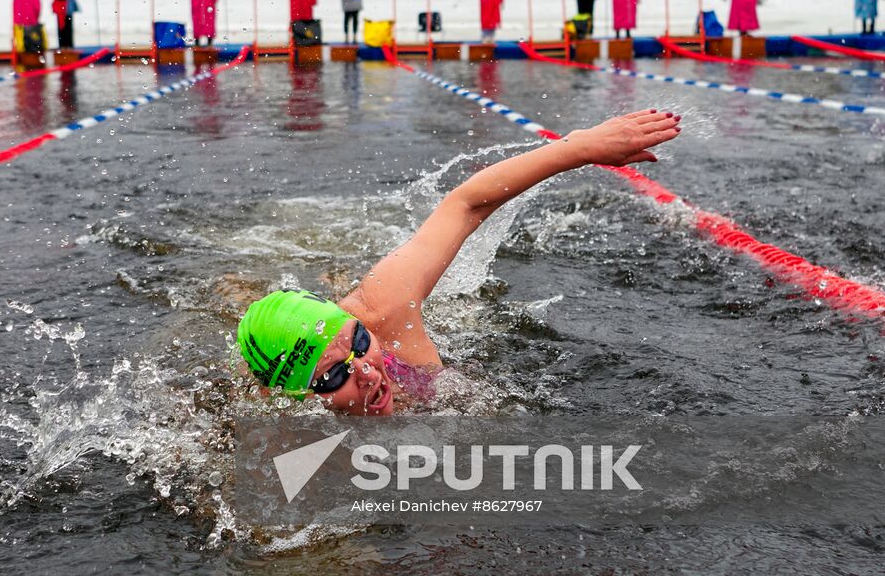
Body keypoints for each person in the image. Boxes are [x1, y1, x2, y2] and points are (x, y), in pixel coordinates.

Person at [235, 109, 682, 415]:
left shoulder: (383, 310)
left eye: (356, 343)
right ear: (295, 397)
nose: (368, 373)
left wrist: (579, 149)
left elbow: (465, 205)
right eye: (333, 377)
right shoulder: (289, 432)